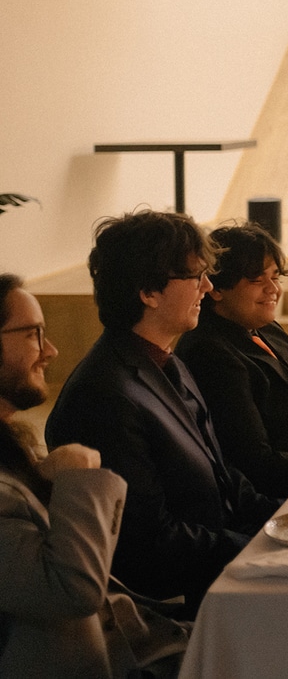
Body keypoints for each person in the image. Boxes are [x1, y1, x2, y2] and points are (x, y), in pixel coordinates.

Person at [44, 212, 280, 616]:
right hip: (176, 605)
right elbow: (150, 543)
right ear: (148, 292)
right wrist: (261, 549)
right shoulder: (103, 394)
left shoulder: (164, 359)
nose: (208, 286)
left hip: (219, 567)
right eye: (196, 277)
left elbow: (222, 477)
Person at [1, 274, 190, 678]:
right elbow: (71, 590)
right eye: (33, 334)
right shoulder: (103, 391)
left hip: (133, 641)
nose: (50, 350)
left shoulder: (13, 447)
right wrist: (75, 481)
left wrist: (42, 475)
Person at [176, 223, 288, 498]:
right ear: (217, 289)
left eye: (275, 277)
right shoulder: (211, 353)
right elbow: (256, 462)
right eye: (257, 280)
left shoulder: (266, 327)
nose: (273, 290)